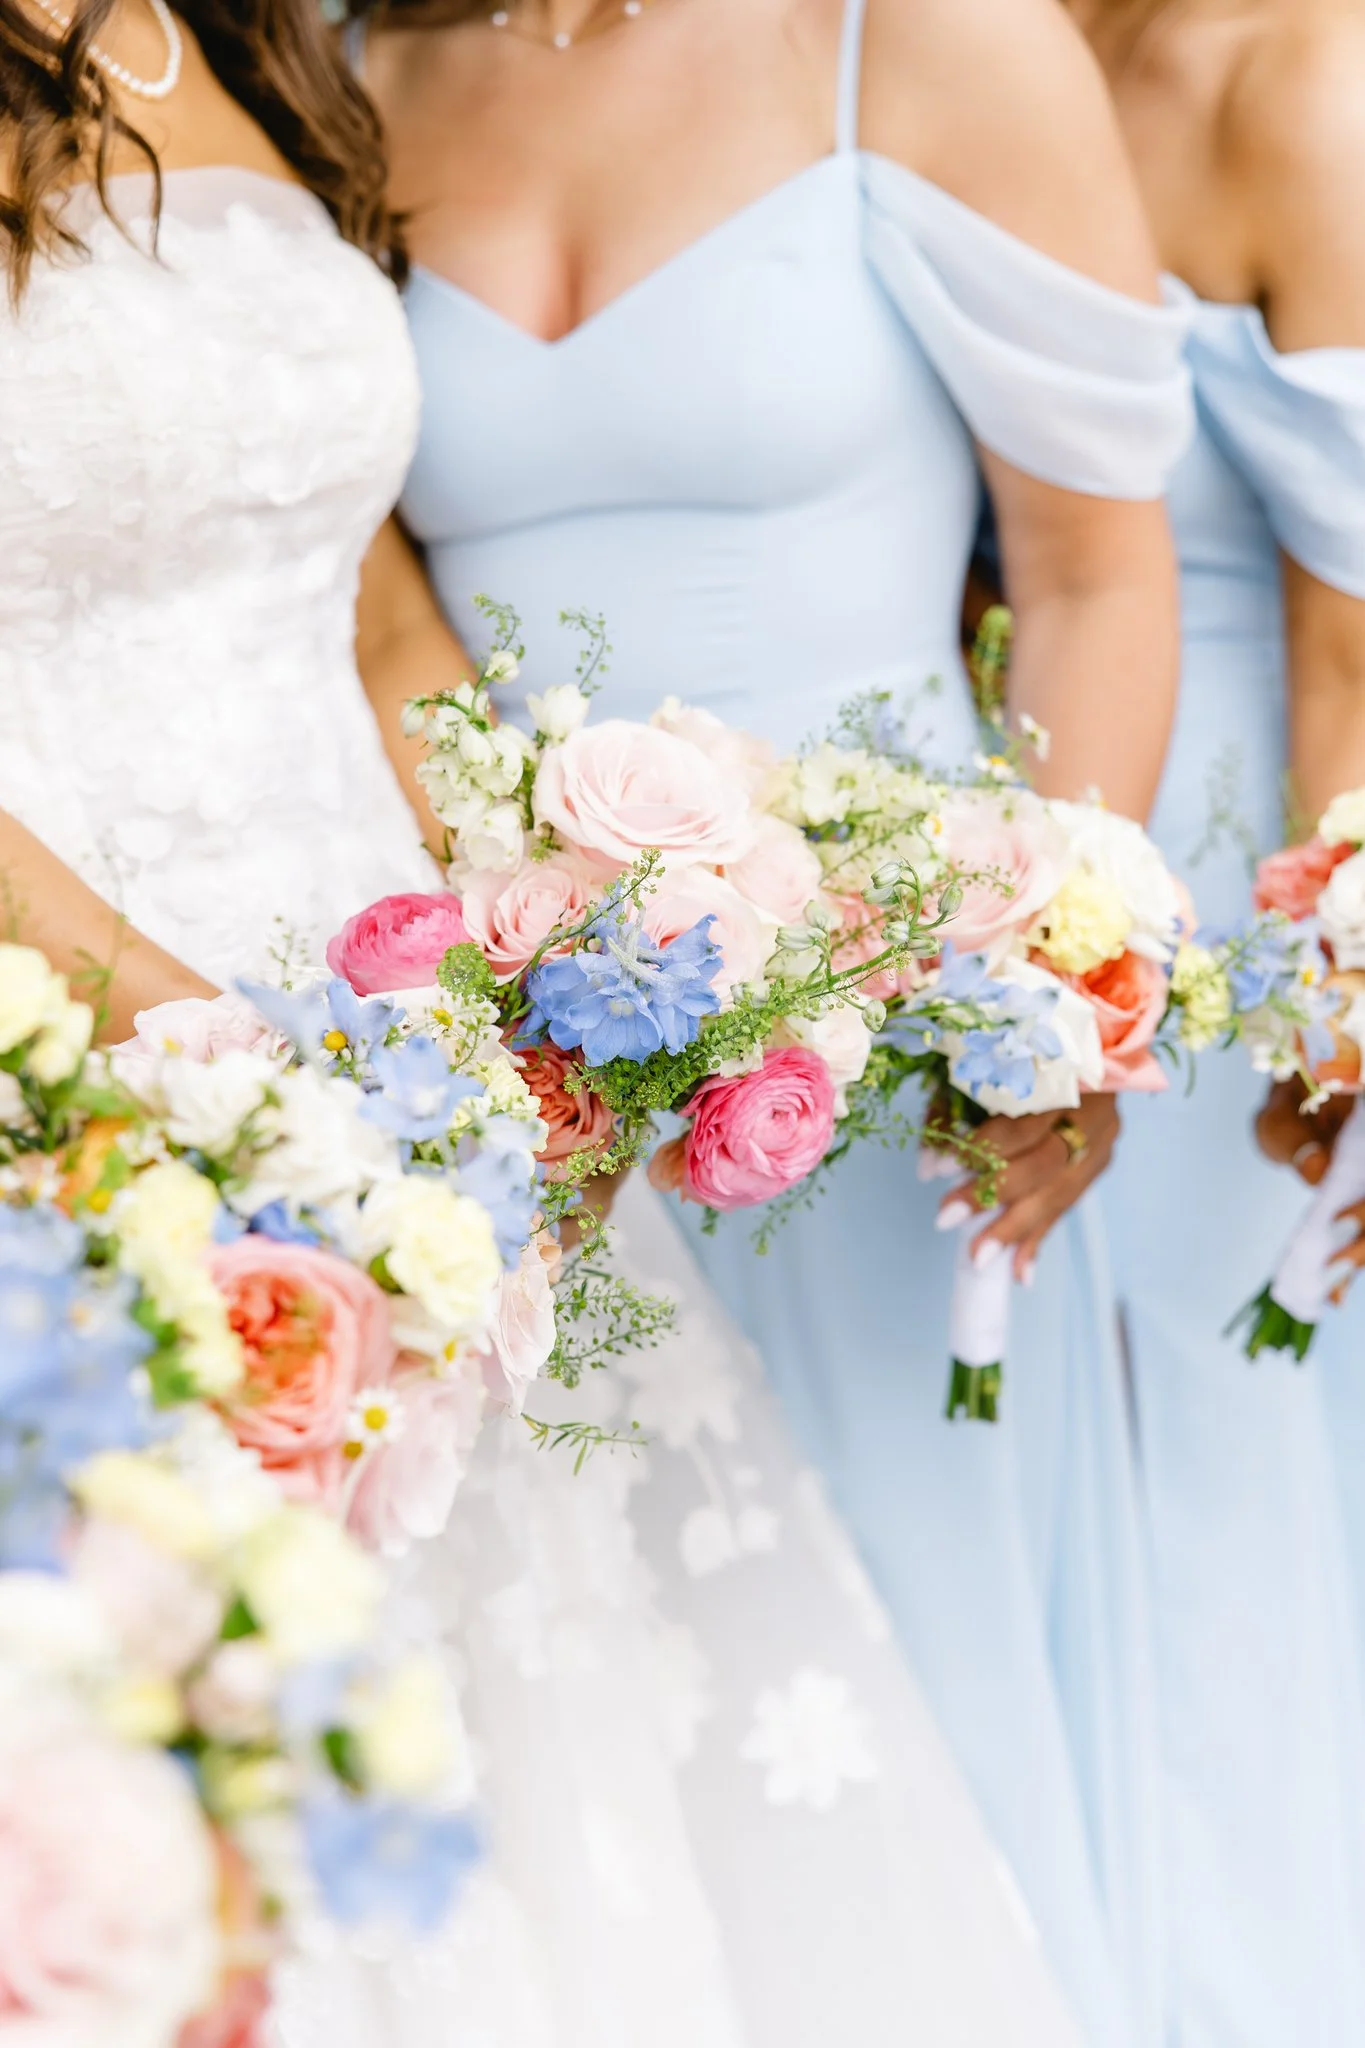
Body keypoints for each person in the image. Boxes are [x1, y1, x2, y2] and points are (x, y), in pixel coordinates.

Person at [0, 9, 1095, 2046]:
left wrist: (557, 950)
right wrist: (225, 1070)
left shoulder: (255, 38)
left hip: (417, 1069)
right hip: (90, 1062)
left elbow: (382, 619)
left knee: (562, 1708)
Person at [355, 0, 1193, 2038]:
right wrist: (512, 998)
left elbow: (1088, 572)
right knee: (668, 1722)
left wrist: (1056, 994)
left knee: (935, 1671)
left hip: (903, 1055)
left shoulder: (917, 37)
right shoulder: (345, 79)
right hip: (548, 1070)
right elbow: (368, 617)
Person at [1067, 2, 1365, 2041]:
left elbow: (1357, 640)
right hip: (1010, 858)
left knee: (1227, 1543)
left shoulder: (1300, 78)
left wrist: (1327, 994)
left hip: (1244, 898)